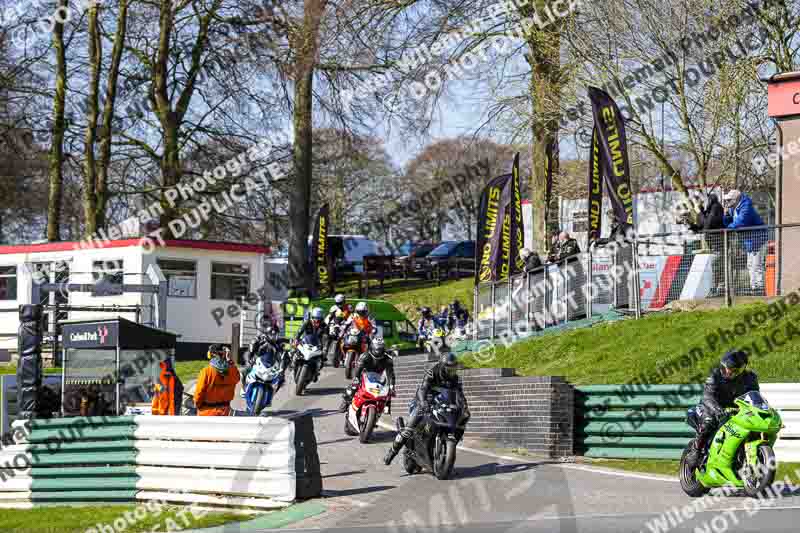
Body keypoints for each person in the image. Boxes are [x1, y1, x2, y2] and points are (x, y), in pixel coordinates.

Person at [383, 351, 469, 465]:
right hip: (425, 400)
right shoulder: (433, 372)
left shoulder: (456, 379)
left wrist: (464, 407)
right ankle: (392, 452)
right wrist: (423, 402)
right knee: (409, 429)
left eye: (454, 369)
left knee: (461, 421)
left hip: (442, 404)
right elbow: (423, 388)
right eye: (449, 369)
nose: (452, 372)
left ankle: (442, 449)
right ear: (443, 366)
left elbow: (460, 395)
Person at [685, 350, 759, 468]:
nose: (727, 371)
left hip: (736, 410)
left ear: (741, 369)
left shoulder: (750, 378)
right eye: (726, 367)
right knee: (709, 421)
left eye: (732, 369)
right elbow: (708, 396)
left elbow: (754, 396)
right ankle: (696, 451)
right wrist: (717, 410)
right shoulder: (715, 375)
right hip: (710, 407)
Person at [722, 189, 766, 294]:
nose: (727, 202)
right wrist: (726, 215)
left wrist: (729, 228)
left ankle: (759, 287)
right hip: (748, 239)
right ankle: (753, 286)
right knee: (750, 264)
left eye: (729, 200)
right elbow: (728, 222)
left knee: (757, 264)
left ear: (735, 199)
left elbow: (741, 221)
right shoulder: (734, 208)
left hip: (757, 238)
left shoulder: (746, 207)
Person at [339, 336, 396, 411]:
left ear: (383, 348)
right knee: (353, 387)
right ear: (372, 346)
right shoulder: (365, 356)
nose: (378, 350)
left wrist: (392, 385)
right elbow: (358, 368)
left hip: (379, 377)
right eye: (376, 347)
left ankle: (386, 409)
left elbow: (390, 373)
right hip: (365, 375)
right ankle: (346, 401)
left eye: (380, 347)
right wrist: (356, 378)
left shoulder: (387, 359)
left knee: (390, 393)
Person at [688, 193, 725, 293]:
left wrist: (700, 213)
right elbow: (701, 226)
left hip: (720, 241)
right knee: (715, 265)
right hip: (713, 243)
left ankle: (719, 288)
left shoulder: (716, 207)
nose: (700, 203)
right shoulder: (706, 212)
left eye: (701, 201)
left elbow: (708, 224)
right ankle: (716, 288)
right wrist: (691, 224)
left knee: (718, 264)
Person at [194, 344, 240, 416]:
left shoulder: (206, 371)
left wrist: (197, 405)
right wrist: (229, 360)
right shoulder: (232, 370)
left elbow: (199, 393)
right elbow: (237, 378)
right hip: (225, 412)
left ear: (211, 354)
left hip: (206, 412)